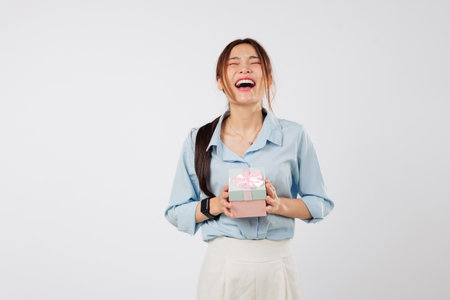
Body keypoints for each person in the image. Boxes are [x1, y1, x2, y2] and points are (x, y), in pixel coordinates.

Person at [165, 38, 334, 300]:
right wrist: (215, 205)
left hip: (277, 265)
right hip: (221, 267)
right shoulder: (197, 141)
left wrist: (279, 205)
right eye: (234, 64)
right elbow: (176, 211)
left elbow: (320, 203)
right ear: (221, 81)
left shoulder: (295, 136)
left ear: (267, 77)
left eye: (254, 63)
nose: (244, 69)